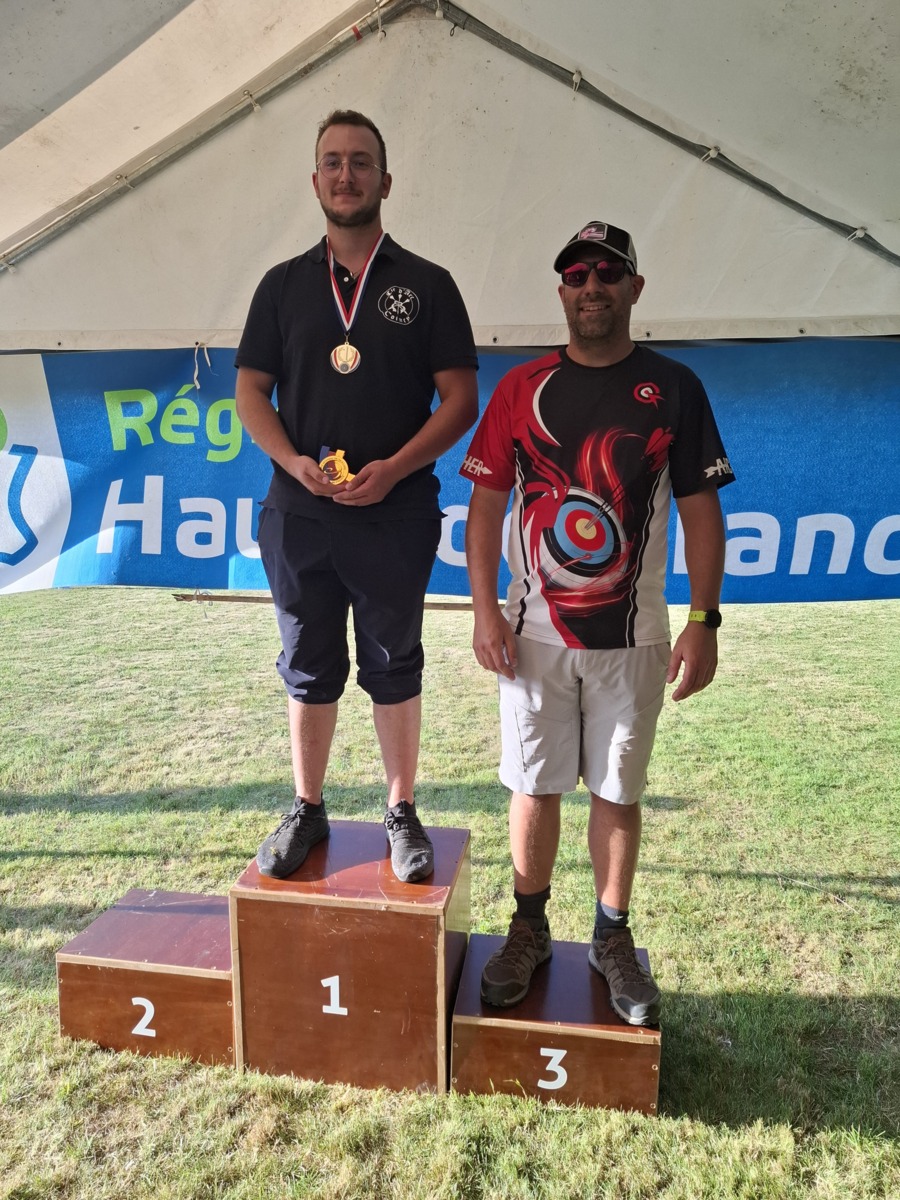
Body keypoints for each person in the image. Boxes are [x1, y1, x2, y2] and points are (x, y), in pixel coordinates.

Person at [460, 220, 734, 1024]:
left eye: (608, 274)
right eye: (578, 275)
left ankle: (612, 937)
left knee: (618, 791)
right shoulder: (521, 387)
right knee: (533, 785)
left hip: (634, 639)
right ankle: (529, 928)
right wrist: (484, 610)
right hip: (532, 638)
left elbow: (702, 510)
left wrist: (705, 619)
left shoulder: (674, 386)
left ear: (634, 289)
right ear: (562, 291)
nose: (592, 287)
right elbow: (484, 507)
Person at [235, 110, 478, 883]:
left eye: (361, 162)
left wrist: (396, 468)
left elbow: (460, 401)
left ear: (385, 180)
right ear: (315, 180)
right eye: (334, 162)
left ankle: (400, 811)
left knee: (393, 662)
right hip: (299, 512)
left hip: (394, 513)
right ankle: (307, 807)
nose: (347, 175)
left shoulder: (428, 285)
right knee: (307, 663)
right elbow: (250, 393)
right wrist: (292, 461)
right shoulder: (281, 286)